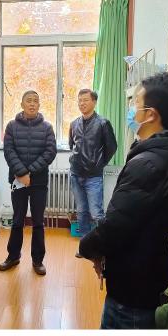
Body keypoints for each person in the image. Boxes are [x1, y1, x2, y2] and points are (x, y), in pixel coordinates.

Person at [79, 73, 168, 329]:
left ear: (151, 114)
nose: (131, 109)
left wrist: (87, 247)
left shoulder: (149, 165)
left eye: (135, 102)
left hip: (134, 292)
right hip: (156, 276)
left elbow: (115, 227)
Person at [0, 90, 56, 276]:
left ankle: (38, 260)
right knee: (17, 220)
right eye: (29, 101)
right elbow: (9, 151)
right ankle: (13, 256)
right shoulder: (12, 126)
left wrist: (30, 171)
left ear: (39, 105)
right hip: (18, 180)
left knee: (38, 222)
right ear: (22, 104)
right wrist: (22, 173)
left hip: (39, 182)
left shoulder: (47, 127)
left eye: (35, 101)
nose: (32, 104)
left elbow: (50, 152)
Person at [69, 88, 117, 245]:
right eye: (80, 100)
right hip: (76, 174)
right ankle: (85, 245)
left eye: (85, 100)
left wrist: (99, 163)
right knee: (81, 211)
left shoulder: (103, 123)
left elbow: (112, 147)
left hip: (93, 176)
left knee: (96, 213)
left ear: (94, 102)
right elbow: (72, 145)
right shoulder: (74, 124)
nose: (82, 103)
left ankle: (100, 245)